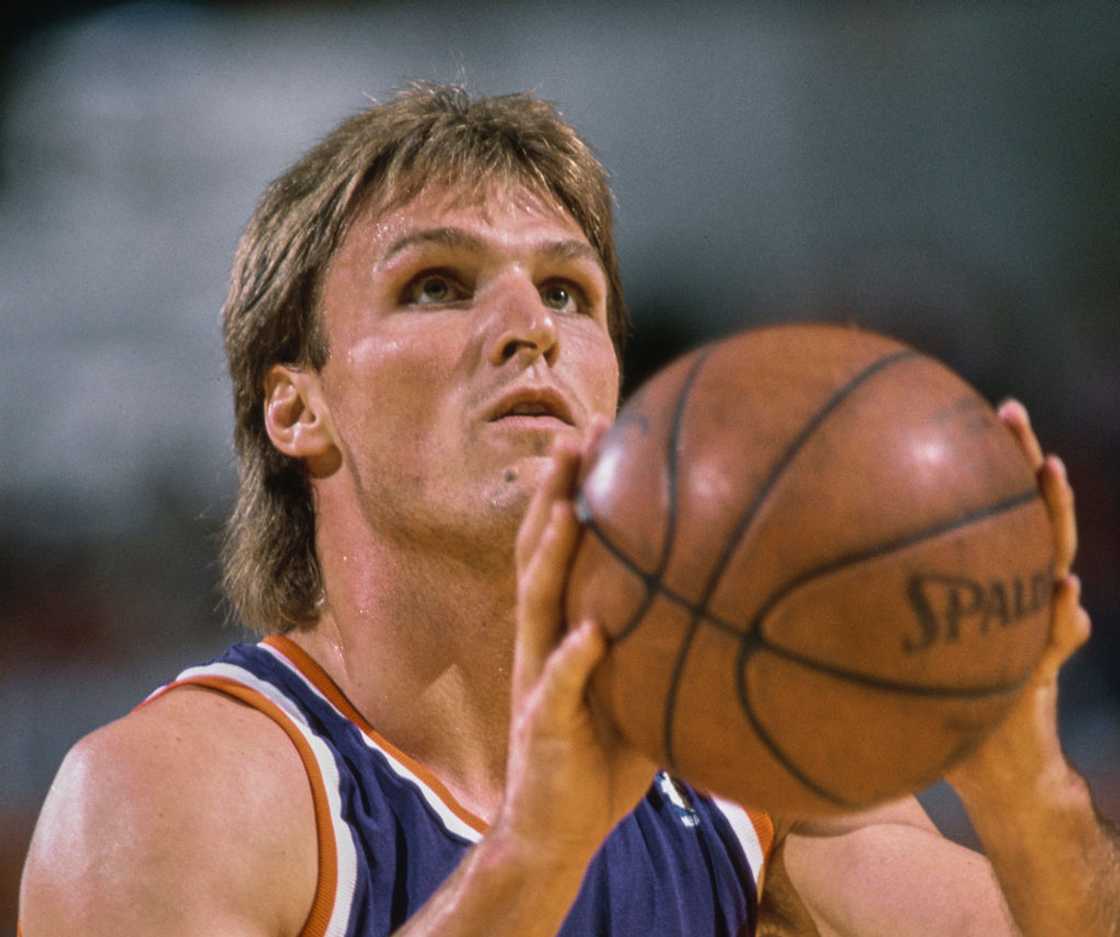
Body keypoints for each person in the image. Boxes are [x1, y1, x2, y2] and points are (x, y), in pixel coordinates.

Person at [18, 83, 1118, 937]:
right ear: (295, 406)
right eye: (436, 284)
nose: (528, 325)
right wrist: (535, 853)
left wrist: (1016, 775)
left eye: (567, 291)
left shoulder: (741, 762)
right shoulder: (169, 792)